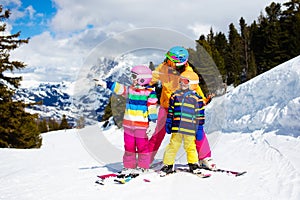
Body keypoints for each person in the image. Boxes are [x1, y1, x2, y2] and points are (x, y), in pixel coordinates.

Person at [148, 46, 216, 170]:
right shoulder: (163, 68)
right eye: (167, 59)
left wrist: (202, 100)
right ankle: (146, 158)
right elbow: (151, 79)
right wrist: (141, 85)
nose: (166, 62)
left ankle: (205, 157)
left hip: (184, 108)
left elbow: (195, 88)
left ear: (178, 63)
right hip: (166, 106)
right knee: (158, 133)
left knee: (196, 131)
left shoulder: (188, 73)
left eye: (170, 61)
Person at [95, 65, 158, 173]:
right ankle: (129, 166)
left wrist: (152, 122)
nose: (132, 78)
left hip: (141, 126)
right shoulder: (130, 90)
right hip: (128, 126)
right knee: (129, 147)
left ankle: (143, 166)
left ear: (142, 78)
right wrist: (105, 84)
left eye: (134, 76)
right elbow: (119, 88)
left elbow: (152, 109)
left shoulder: (150, 93)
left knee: (142, 146)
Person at [160, 71, 204, 175]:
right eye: (180, 81)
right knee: (172, 146)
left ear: (192, 83)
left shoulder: (197, 98)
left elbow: (200, 115)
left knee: (190, 147)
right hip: (177, 127)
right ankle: (168, 165)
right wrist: (169, 122)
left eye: (185, 81)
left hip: (189, 128)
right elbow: (171, 110)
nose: (182, 83)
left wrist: (199, 128)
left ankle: (193, 164)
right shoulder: (174, 96)